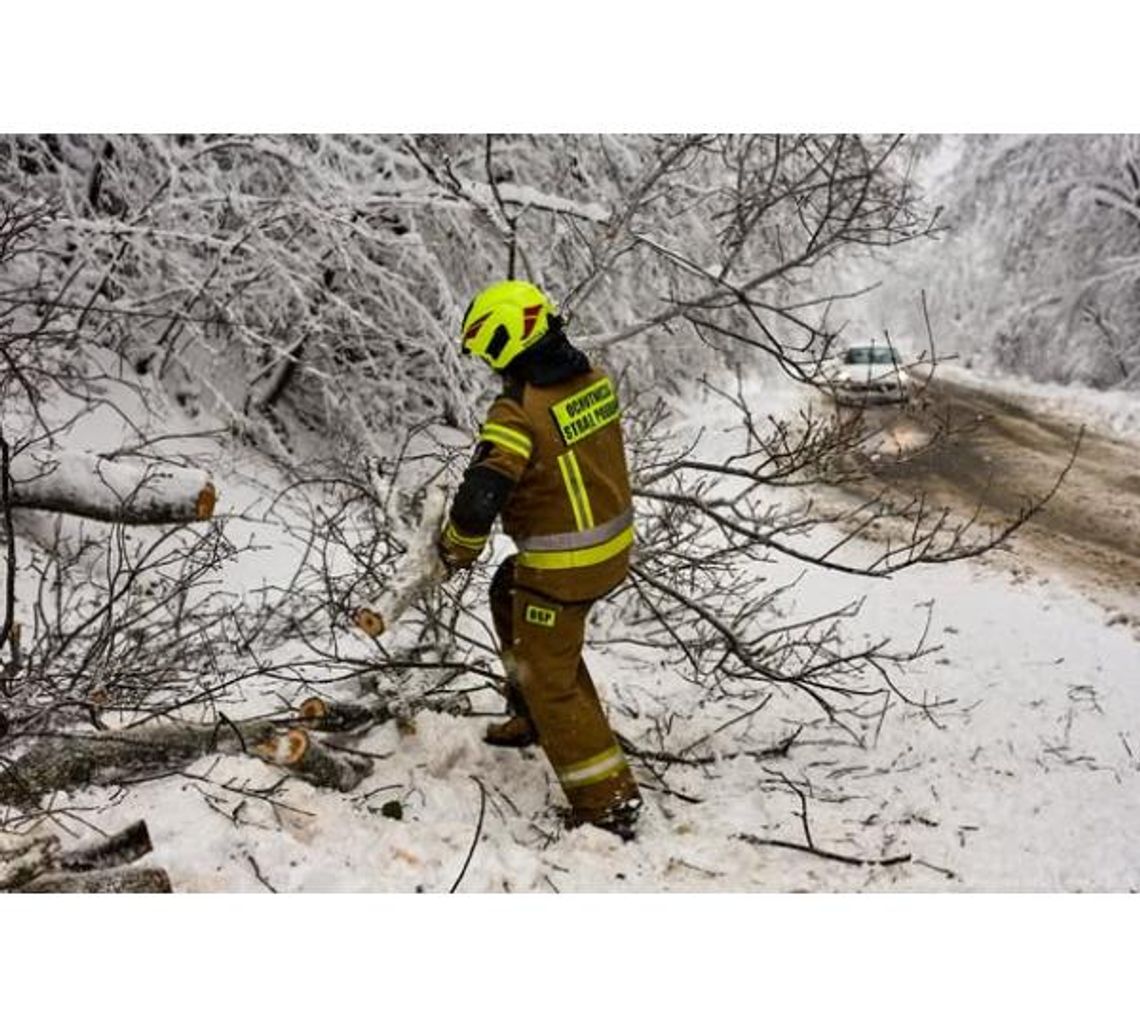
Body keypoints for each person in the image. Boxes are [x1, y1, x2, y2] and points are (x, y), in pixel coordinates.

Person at [437, 279, 643, 840]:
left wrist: (458, 543)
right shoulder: (593, 381)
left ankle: (609, 801)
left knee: (556, 680)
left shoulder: (517, 411)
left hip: (563, 569)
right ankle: (529, 715)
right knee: (506, 589)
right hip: (610, 549)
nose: (485, 364)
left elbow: (483, 491)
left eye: (486, 351)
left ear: (507, 342)